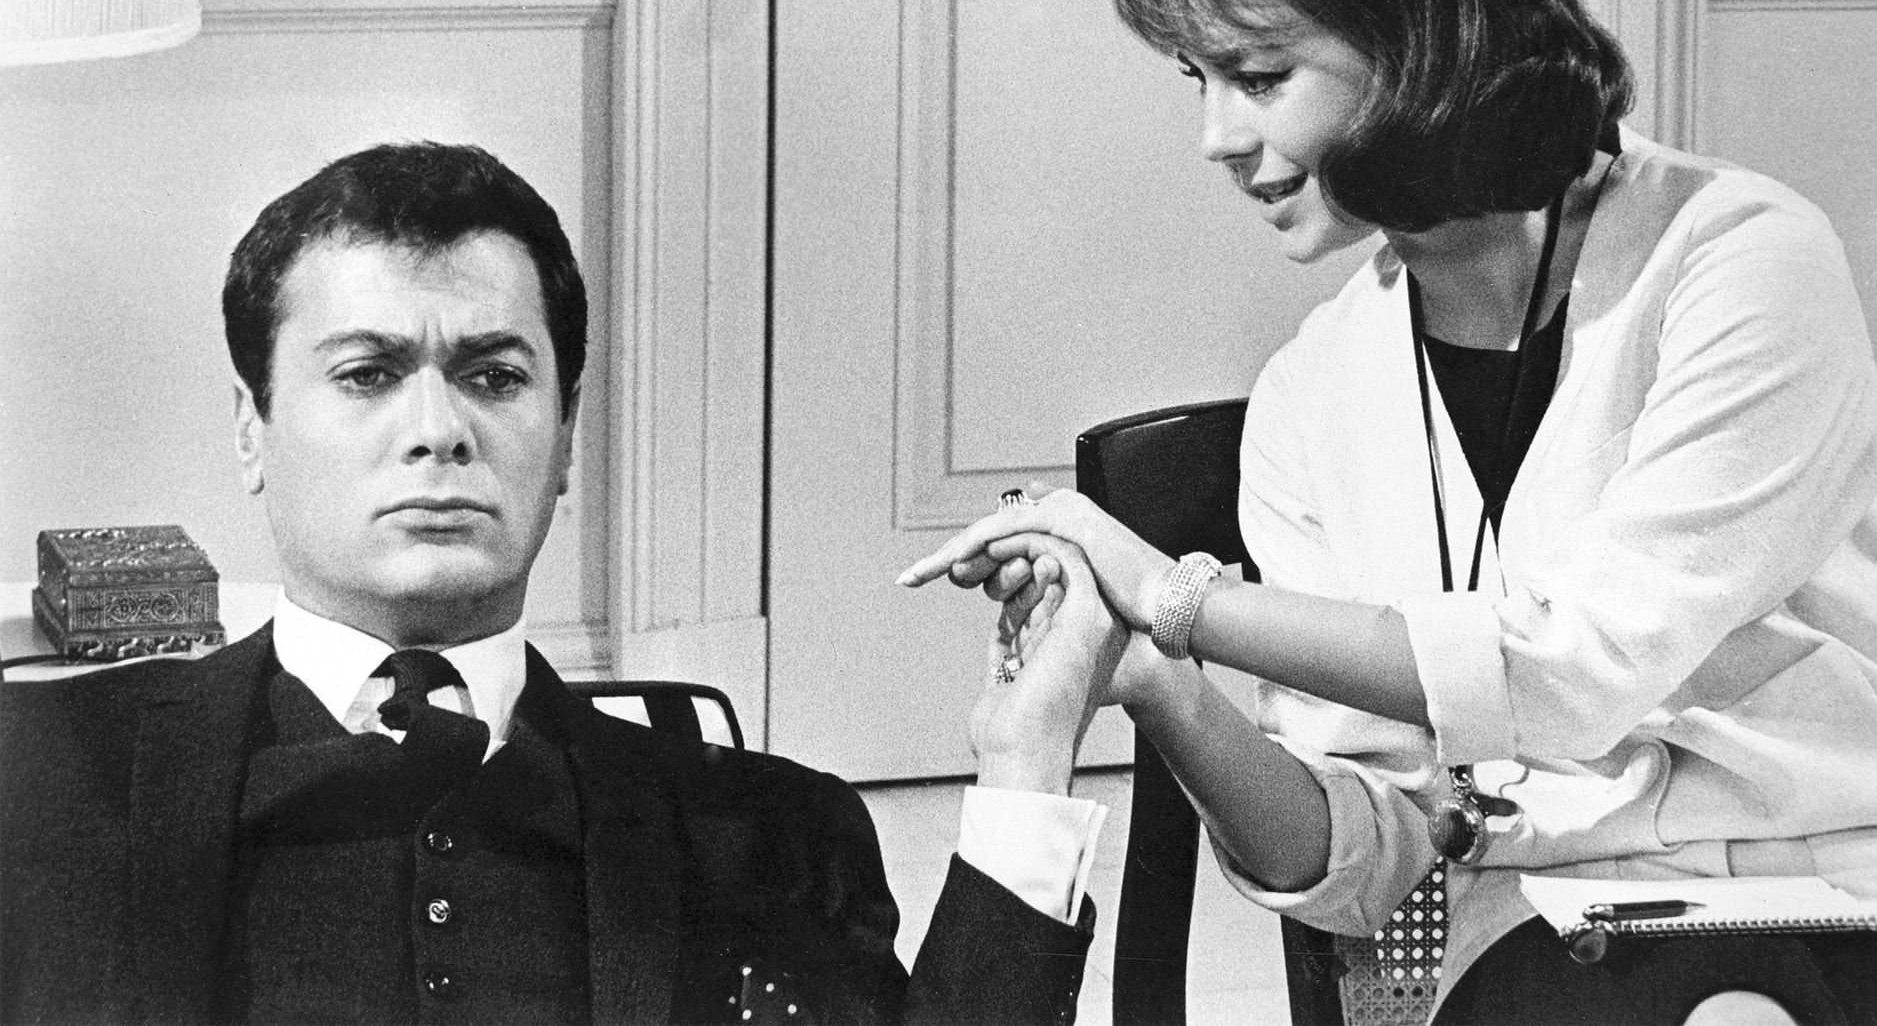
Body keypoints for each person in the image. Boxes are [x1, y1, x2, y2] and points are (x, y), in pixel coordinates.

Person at [905, 0, 1877, 1023]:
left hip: (1872, 888)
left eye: (1257, 75)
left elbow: (1577, 669)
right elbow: (1371, 865)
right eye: (1194, 77)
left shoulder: (1739, 256)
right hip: (1550, 933)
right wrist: (1165, 679)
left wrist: (1178, 595)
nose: (1213, 135)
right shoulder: (1312, 396)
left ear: (1422, 42)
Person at [1, 141, 1118, 1025]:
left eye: (493, 376)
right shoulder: (32, 777)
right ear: (252, 428)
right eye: (368, 374)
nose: (438, 430)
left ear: (568, 433)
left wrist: (1024, 765)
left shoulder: (777, 831)